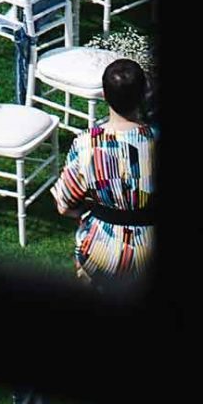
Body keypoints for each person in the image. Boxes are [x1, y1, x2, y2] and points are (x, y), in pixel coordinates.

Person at [51, 57, 155, 278]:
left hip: (100, 256)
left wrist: (92, 211)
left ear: (105, 96)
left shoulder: (86, 145)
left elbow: (63, 205)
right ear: (144, 94)